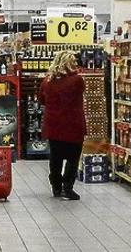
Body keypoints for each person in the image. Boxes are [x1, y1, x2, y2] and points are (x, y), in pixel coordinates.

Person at [39, 50, 86, 201]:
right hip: (73, 124)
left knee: (55, 157)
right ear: (68, 63)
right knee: (73, 158)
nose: (76, 64)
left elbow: (41, 100)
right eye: (73, 62)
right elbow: (79, 94)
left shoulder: (47, 81)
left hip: (53, 125)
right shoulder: (77, 80)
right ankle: (68, 187)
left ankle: (56, 187)